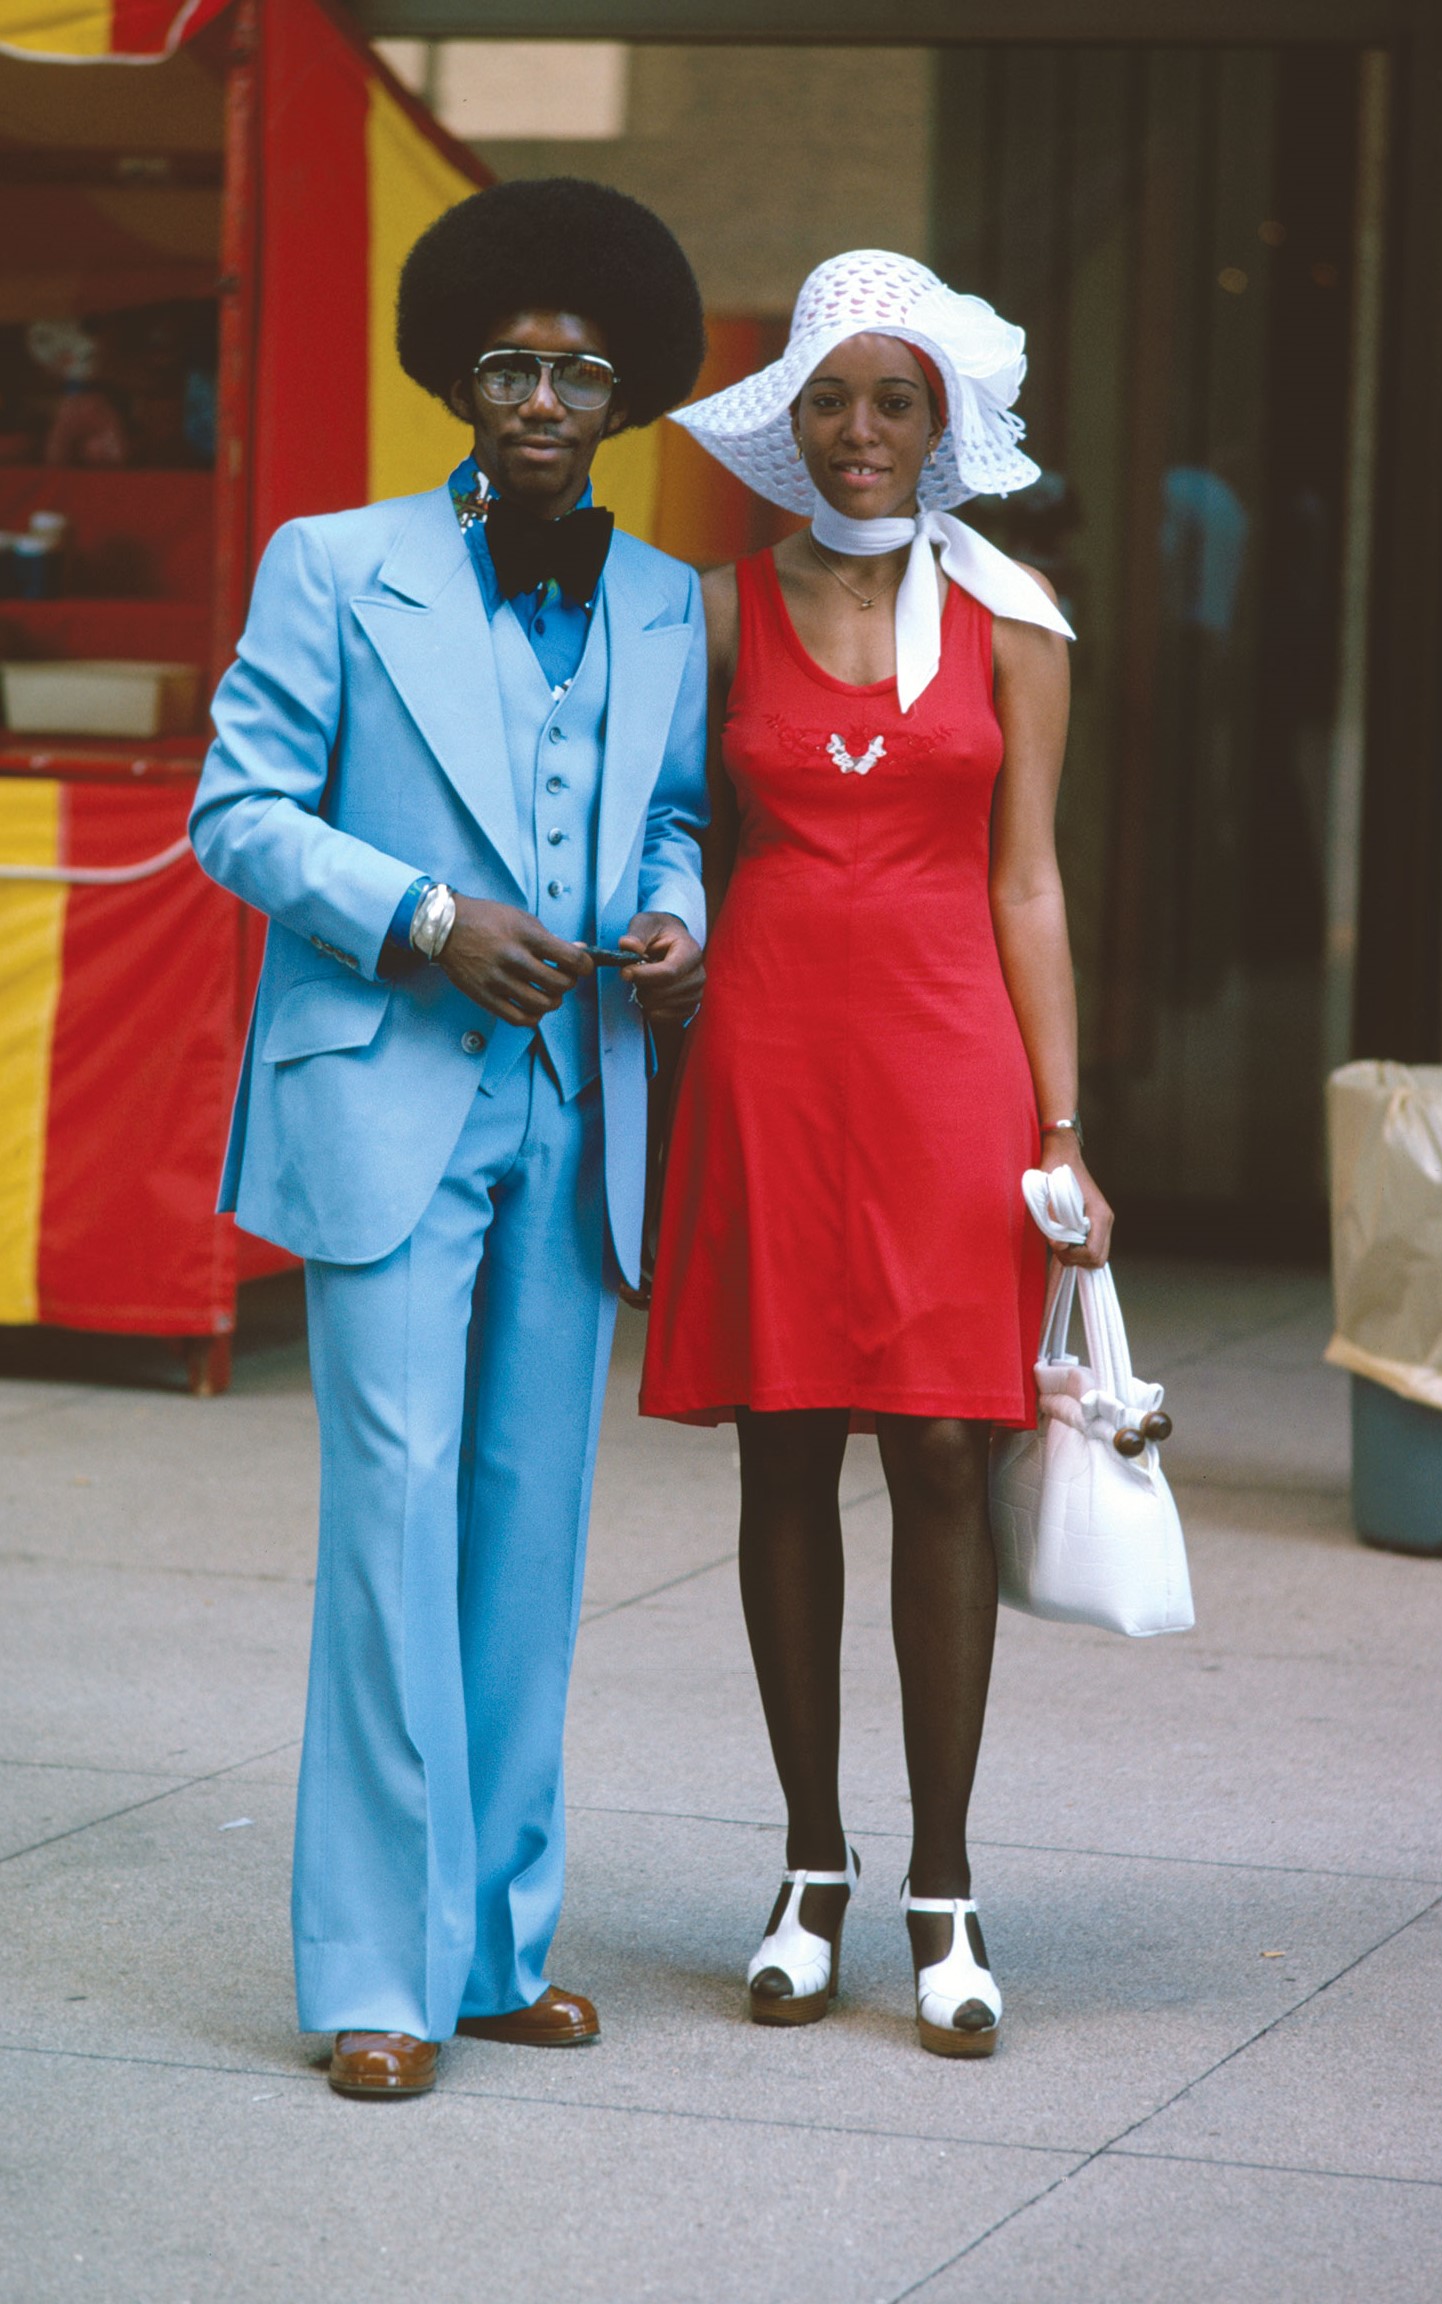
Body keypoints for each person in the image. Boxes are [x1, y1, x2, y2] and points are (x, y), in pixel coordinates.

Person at [190, 179, 708, 2098]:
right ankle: (373, 1979)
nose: (542, 402)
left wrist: (676, 920)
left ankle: (492, 1949)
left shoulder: (664, 601)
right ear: (456, 379)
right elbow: (239, 812)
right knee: (393, 1525)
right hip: (387, 1094)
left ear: (628, 394)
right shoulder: (334, 565)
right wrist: (422, 914)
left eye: (579, 374)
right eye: (508, 368)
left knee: (527, 1533)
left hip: (576, 1106)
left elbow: (673, 814)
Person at [640, 251, 1112, 2059]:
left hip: (946, 1068)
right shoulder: (711, 612)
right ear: (792, 416)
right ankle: (807, 1870)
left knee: (938, 1447)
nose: (860, 430)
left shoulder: (1015, 618)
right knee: (784, 1444)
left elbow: (1028, 879)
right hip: (767, 1059)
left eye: (893, 402)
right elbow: (670, 831)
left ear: (943, 425)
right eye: (831, 397)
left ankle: (945, 1889)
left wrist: (1061, 1132)